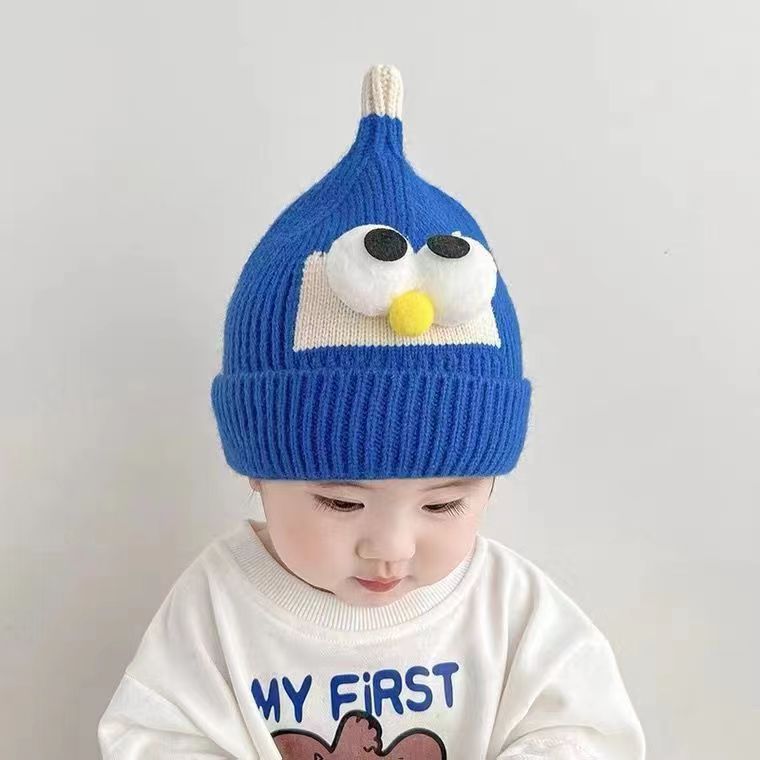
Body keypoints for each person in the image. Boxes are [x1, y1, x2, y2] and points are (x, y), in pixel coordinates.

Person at [97, 64, 646, 759]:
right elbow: (154, 737)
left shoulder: (509, 609)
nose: (391, 547)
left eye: (444, 504)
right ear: (256, 473)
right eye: (340, 501)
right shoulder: (220, 607)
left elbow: (589, 732)